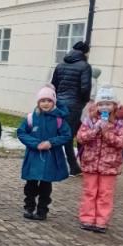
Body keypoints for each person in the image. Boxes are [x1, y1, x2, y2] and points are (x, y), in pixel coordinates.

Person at [76, 85, 123, 233]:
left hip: (110, 165)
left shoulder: (120, 122)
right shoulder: (90, 119)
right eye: (101, 104)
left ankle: (101, 221)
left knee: (105, 194)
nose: (104, 107)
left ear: (115, 105)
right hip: (91, 163)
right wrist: (95, 130)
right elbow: (81, 137)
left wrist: (107, 133)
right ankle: (87, 219)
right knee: (90, 192)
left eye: (108, 104)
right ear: (97, 105)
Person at [15, 84, 71, 221]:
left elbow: (66, 135)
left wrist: (51, 142)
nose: (46, 104)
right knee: (31, 184)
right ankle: (29, 207)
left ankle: (42, 210)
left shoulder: (59, 120)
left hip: (50, 158)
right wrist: (35, 144)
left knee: (46, 185)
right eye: (43, 100)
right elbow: (21, 132)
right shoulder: (31, 118)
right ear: (38, 102)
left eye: (49, 101)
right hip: (34, 156)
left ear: (54, 102)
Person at [50, 40, 92, 175]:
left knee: (81, 132)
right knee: (68, 135)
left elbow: (53, 85)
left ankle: (84, 162)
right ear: (85, 52)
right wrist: (83, 101)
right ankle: (73, 166)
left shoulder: (60, 65)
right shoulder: (85, 66)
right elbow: (85, 88)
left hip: (60, 103)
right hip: (74, 105)